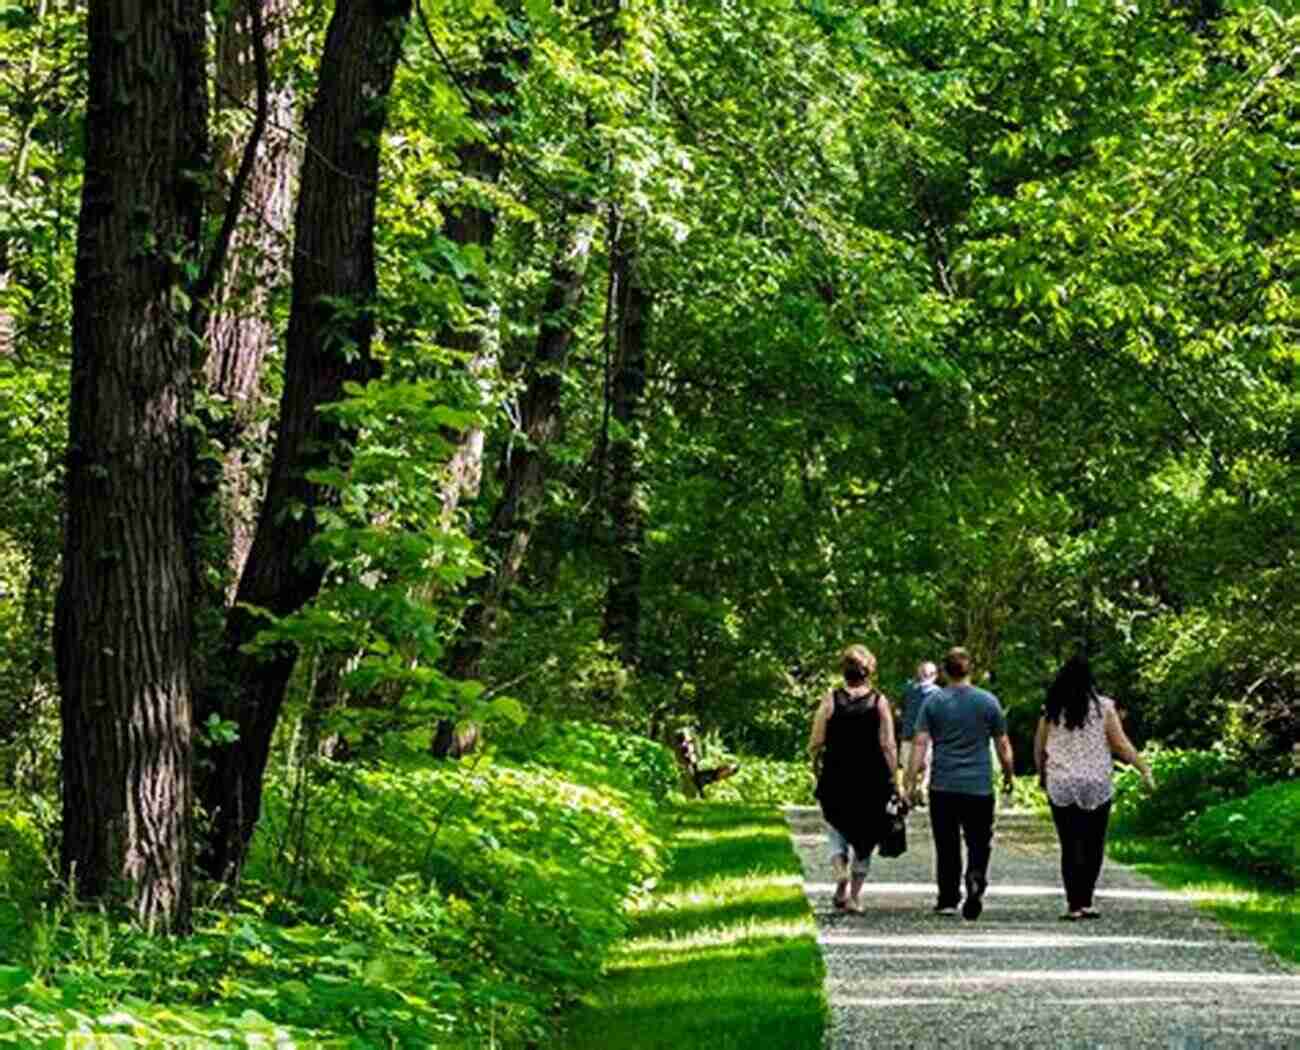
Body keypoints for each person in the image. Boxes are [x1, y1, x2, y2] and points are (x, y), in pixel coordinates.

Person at [1034, 654, 1154, 921]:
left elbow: (1040, 747)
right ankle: (1087, 899)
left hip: (1062, 782)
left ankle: (1073, 904)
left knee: (1070, 843)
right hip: (1096, 782)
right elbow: (1120, 744)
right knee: (1093, 842)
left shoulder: (1052, 709)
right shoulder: (1104, 707)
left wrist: (1041, 774)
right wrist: (1144, 769)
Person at [904, 646, 1014, 920]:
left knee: (946, 843)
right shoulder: (988, 702)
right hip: (978, 786)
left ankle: (948, 898)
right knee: (979, 840)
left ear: (944, 671)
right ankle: (975, 878)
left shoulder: (933, 702)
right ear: (970, 670)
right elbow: (1002, 743)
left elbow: (919, 742)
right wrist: (1009, 774)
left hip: (943, 785)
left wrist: (910, 779)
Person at [808, 644, 898, 913]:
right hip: (872, 780)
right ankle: (855, 897)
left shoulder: (831, 700)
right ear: (869, 671)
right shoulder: (879, 701)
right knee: (866, 836)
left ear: (844, 671)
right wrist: (896, 778)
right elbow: (888, 744)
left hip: (837, 776)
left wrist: (815, 765)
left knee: (836, 827)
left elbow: (816, 740)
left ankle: (839, 873)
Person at [898, 661, 940, 805]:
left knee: (907, 766)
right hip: (928, 736)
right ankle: (922, 788)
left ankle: (908, 794)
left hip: (908, 734)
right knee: (928, 765)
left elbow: (900, 710)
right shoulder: (938, 693)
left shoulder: (908, 690)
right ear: (934, 676)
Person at [672, 728, 740, 797]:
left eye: (728, 771)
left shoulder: (718, 782)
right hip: (692, 769)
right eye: (727, 767)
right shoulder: (711, 766)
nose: (726, 769)